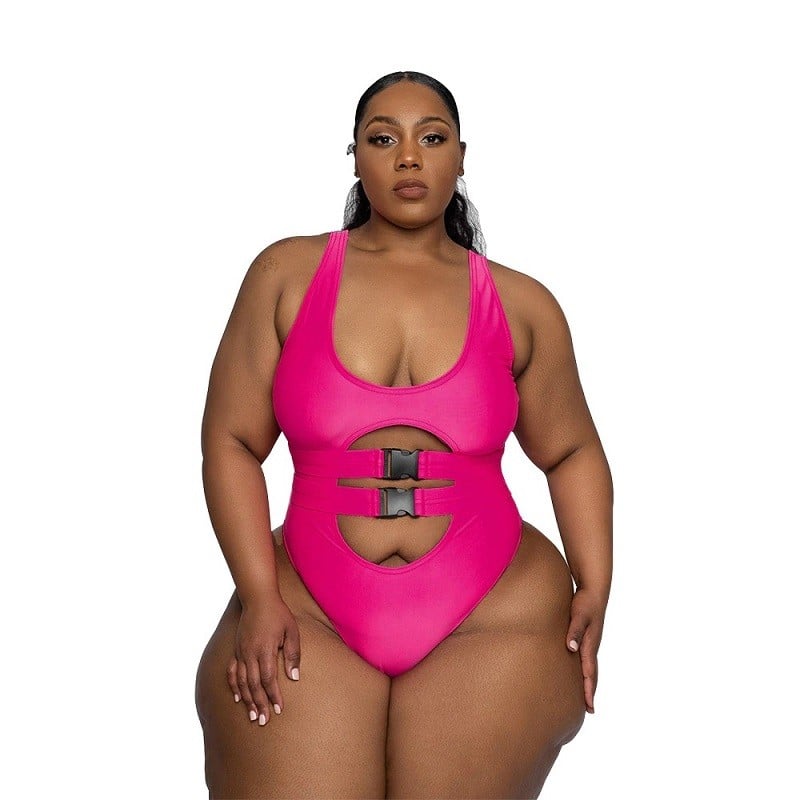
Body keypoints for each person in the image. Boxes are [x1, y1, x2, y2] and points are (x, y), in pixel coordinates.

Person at [194, 70, 613, 799]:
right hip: (306, 610)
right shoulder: (286, 273)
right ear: (355, 156)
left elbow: (572, 450)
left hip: (495, 614)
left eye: (433, 138)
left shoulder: (522, 302)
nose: (409, 157)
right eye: (384, 139)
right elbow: (230, 440)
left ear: (461, 157)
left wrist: (596, 583)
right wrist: (258, 596)